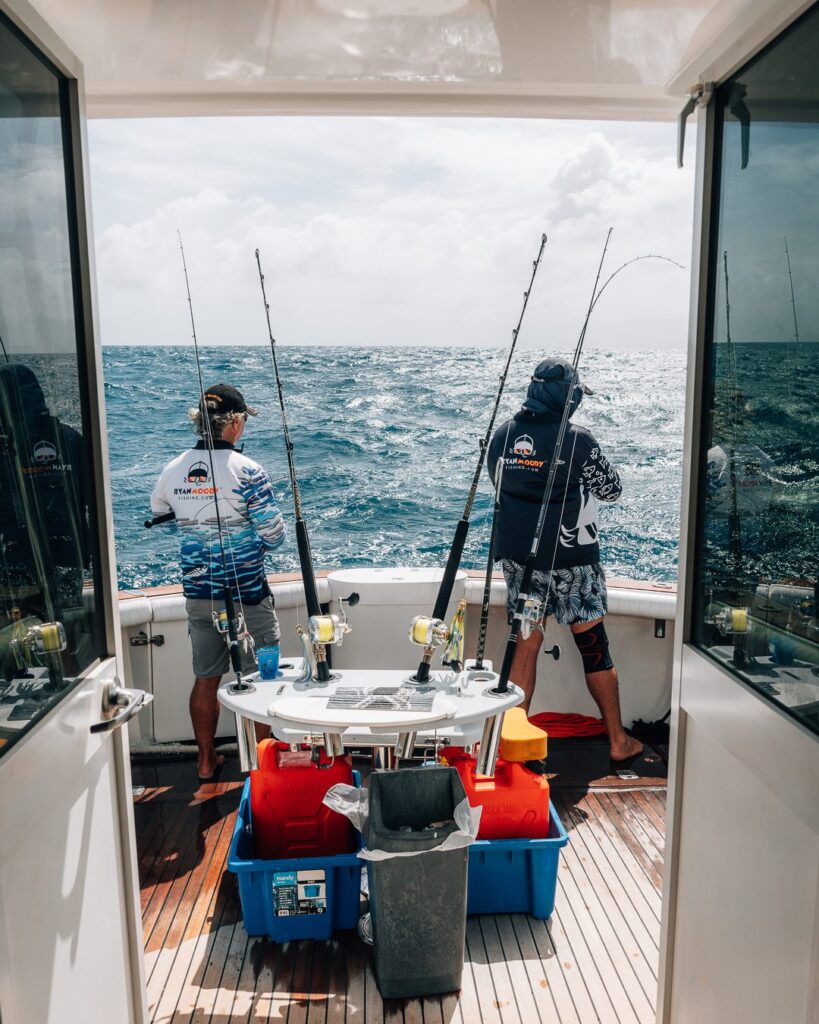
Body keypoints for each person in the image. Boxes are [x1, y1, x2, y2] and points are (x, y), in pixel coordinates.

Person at [487, 357, 643, 764]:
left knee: (526, 646)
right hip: (573, 561)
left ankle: (516, 752)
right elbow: (611, 490)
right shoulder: (577, 441)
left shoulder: (503, 435)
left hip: (521, 563)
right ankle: (617, 741)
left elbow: (501, 482)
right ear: (568, 398)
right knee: (593, 647)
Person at [151, 383, 286, 779]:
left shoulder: (171, 469)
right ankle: (264, 768)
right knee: (263, 679)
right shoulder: (250, 471)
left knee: (206, 677)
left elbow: (161, 512)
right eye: (243, 419)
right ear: (236, 424)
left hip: (199, 592)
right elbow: (275, 537)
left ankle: (206, 763)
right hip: (248, 592)